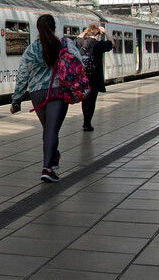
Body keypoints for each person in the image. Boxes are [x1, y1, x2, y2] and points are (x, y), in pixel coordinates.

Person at [10, 14, 83, 183]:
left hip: (37, 94)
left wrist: (16, 100)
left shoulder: (32, 49)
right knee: (51, 130)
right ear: (54, 27)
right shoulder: (64, 44)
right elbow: (79, 63)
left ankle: (53, 157)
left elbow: (22, 75)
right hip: (58, 92)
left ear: (38, 29)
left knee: (47, 128)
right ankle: (48, 168)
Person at [75, 24, 115, 131]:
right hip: (94, 77)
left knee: (85, 100)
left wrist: (86, 30)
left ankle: (85, 121)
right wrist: (105, 32)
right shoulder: (98, 44)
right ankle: (87, 123)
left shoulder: (80, 42)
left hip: (82, 77)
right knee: (91, 101)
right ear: (98, 34)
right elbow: (112, 43)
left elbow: (78, 38)